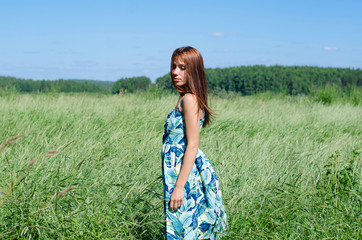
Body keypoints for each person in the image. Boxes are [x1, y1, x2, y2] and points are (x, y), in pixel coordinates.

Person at [161, 46, 227, 239]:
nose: (175, 72)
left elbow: (192, 145)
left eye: (182, 67)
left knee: (184, 230)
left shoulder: (189, 99)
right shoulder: (186, 98)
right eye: (174, 66)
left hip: (184, 175)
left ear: (194, 71)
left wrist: (179, 187)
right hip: (181, 172)